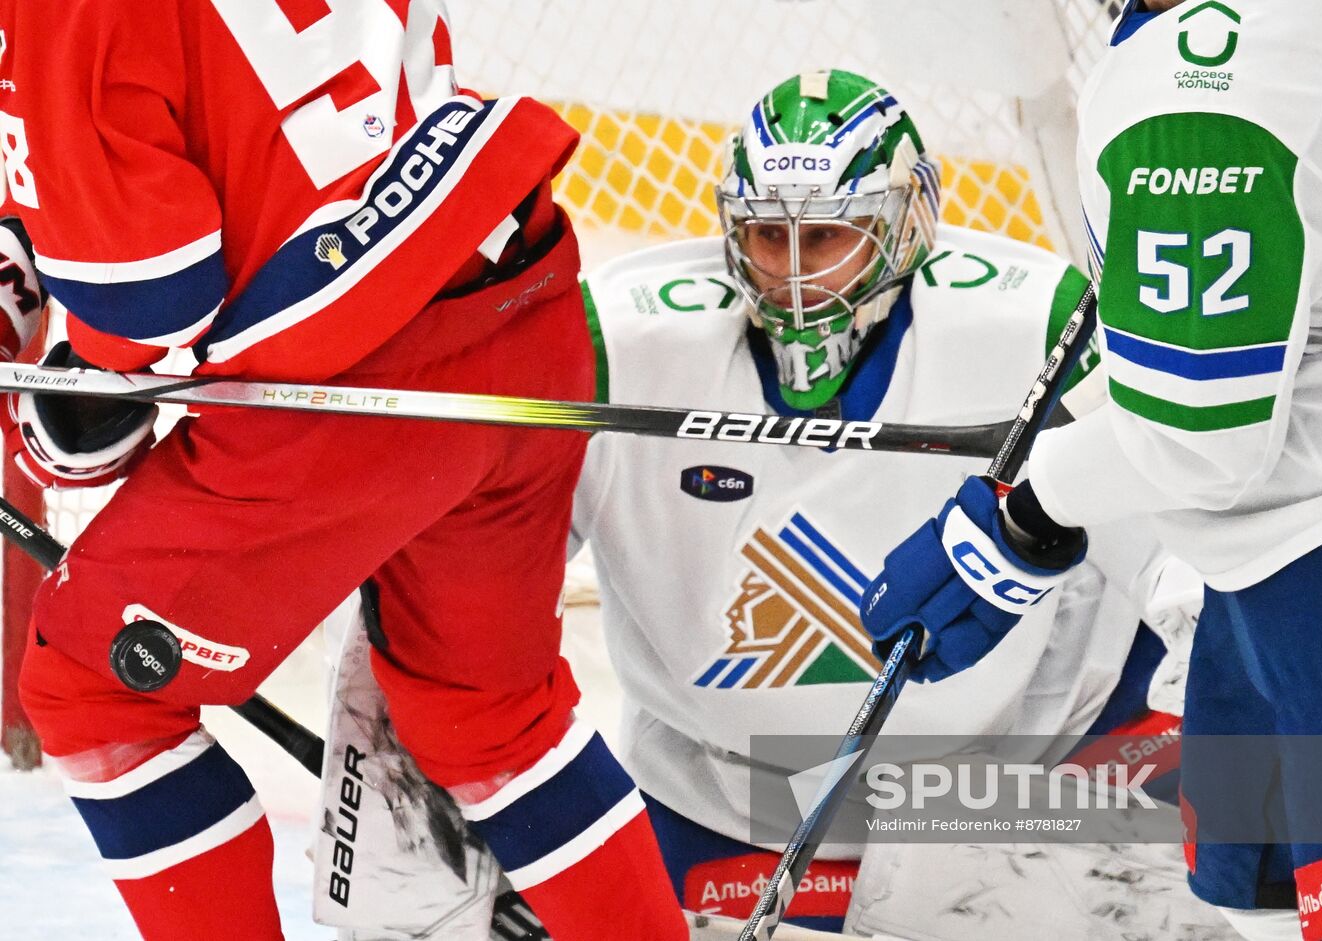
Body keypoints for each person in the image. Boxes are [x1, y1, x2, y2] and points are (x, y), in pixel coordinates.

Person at [323, 69, 1228, 939]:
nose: (794, 277)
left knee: (1298, 810)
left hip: (1010, 770)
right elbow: (466, 568)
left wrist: (1200, 691)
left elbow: (1180, 512)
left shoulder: (1029, 325)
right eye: (769, 237)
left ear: (907, 225)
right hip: (720, 794)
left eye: (828, 237)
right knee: (410, 626)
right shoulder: (624, 344)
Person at [0, 4, 687, 940]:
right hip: (519, 294)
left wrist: (80, 379)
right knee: (491, 715)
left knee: (94, 688)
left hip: (363, 394)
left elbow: (150, 300)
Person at [860, 2, 1322, 939]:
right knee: (1256, 888)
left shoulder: (1194, 115)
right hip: (1282, 546)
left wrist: (1023, 518)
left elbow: (1203, 440)